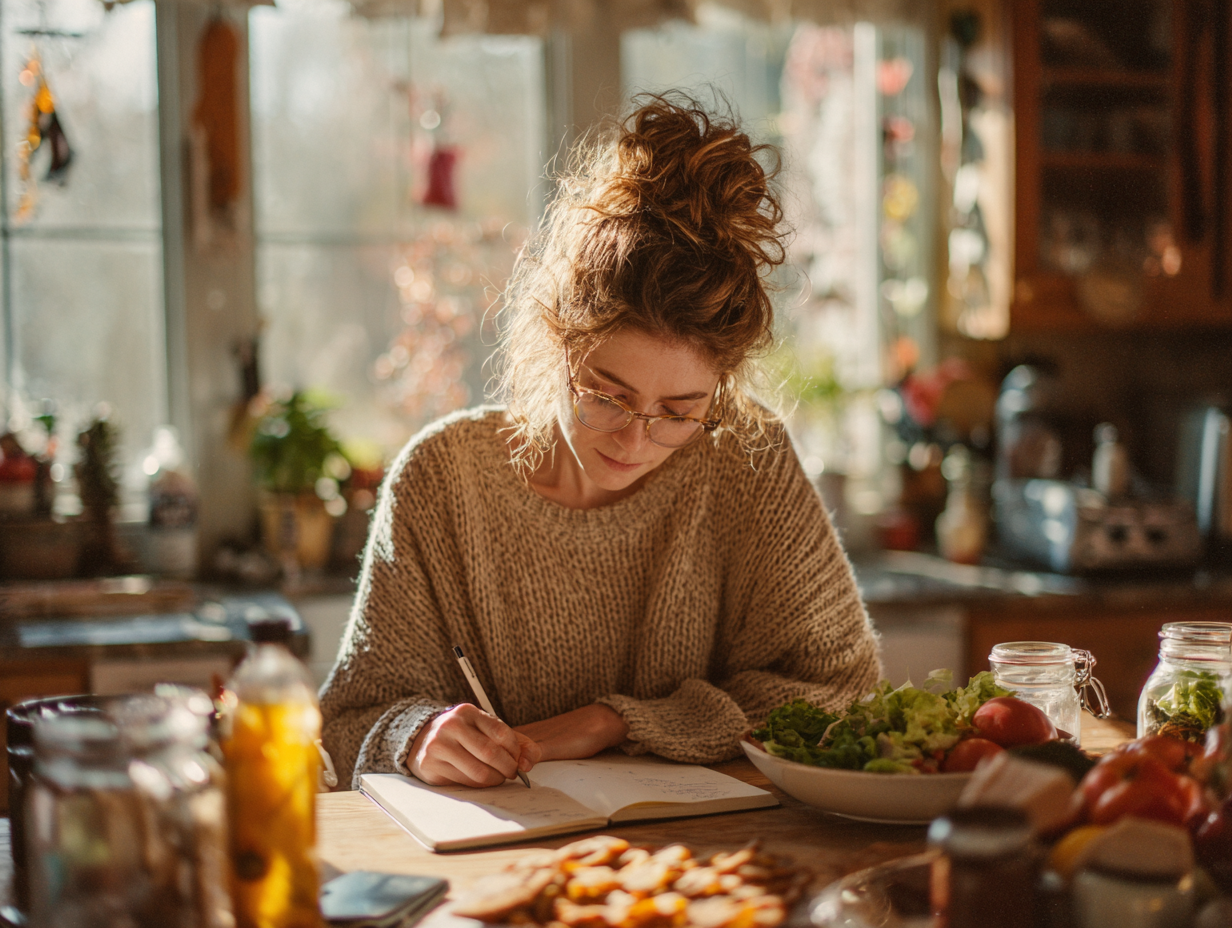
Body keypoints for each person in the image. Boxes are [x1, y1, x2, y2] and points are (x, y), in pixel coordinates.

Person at [320, 93, 880, 791]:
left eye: (679, 411)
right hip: (498, 866)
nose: (636, 439)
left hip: (714, 866)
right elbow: (343, 729)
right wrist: (412, 736)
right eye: (607, 397)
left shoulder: (744, 454)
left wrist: (616, 721)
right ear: (554, 342)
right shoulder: (443, 480)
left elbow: (843, 694)